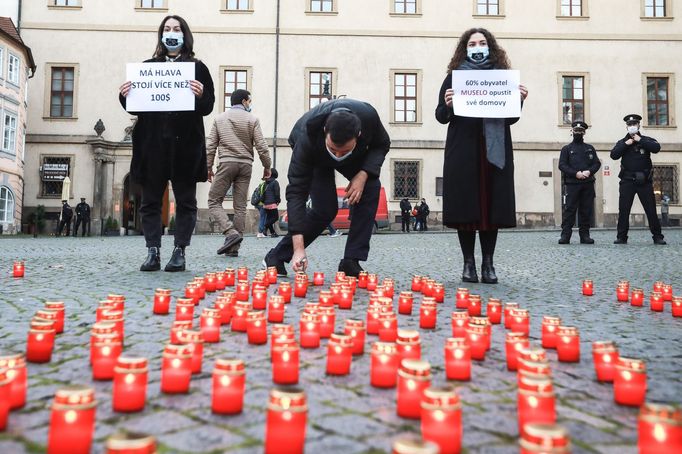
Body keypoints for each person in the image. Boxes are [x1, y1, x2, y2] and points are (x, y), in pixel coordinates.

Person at [119, 15, 215, 271]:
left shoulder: (198, 68)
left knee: (185, 201)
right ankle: (153, 251)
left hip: (185, 147)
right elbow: (134, 106)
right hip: (152, 147)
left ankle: (179, 251)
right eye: (167, 29)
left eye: (177, 28)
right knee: (150, 201)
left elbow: (208, 107)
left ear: (185, 34)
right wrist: (124, 94)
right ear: (161, 34)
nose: (172, 33)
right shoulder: (147, 67)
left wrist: (202, 94)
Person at [436, 28, 528, 284]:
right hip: (463, 151)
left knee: (491, 207)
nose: (478, 46)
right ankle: (468, 263)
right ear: (465, 48)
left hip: (494, 151)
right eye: (473, 43)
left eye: (482, 42)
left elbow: (510, 118)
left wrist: (518, 101)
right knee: (467, 208)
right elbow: (440, 116)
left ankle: (488, 262)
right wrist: (448, 105)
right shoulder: (453, 78)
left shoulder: (502, 77)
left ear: (491, 46)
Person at [262, 98, 391, 277]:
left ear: (359, 135)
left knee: (371, 186)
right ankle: (276, 257)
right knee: (325, 210)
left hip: (353, 156)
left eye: (343, 151)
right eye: (334, 149)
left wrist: (363, 174)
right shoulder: (306, 139)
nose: (337, 156)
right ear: (325, 132)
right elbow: (297, 193)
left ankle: (351, 261)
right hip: (317, 155)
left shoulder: (369, 117)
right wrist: (298, 249)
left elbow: (382, 144)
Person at [206, 89, 271, 256]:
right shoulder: (253, 119)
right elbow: (262, 147)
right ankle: (234, 248)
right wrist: (267, 166)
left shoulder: (219, 119)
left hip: (227, 163)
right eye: (249, 101)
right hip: (245, 165)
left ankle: (231, 233)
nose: (250, 104)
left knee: (213, 200)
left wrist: (208, 167)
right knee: (240, 206)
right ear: (244, 101)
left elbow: (211, 146)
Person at [610, 114, 666, 245]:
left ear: (639, 125)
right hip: (627, 181)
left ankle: (658, 237)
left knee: (651, 209)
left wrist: (640, 140)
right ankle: (621, 237)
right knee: (624, 210)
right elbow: (613, 155)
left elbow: (656, 148)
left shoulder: (646, 140)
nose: (632, 126)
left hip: (644, 181)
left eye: (634, 124)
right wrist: (626, 143)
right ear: (626, 127)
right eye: (630, 125)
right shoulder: (622, 142)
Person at [558, 121, 601, 244]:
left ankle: (585, 235)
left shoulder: (589, 148)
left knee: (586, 210)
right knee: (569, 210)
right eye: (576, 131)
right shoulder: (566, 149)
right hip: (572, 184)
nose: (578, 133)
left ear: (584, 133)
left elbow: (597, 163)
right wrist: (575, 173)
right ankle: (565, 235)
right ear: (572, 132)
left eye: (580, 131)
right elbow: (562, 165)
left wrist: (589, 171)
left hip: (587, 183)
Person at [262, 168, 281, 237]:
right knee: (275, 217)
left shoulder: (265, 183)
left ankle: (272, 233)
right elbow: (277, 193)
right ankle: (265, 226)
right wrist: (278, 200)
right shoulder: (275, 182)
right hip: (272, 203)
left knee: (270, 218)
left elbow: (263, 193)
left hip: (265, 204)